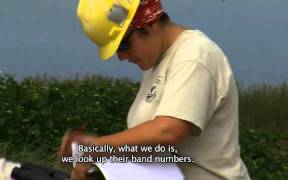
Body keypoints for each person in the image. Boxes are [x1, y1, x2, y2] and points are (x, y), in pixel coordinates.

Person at [60, 0, 251, 179]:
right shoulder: (158, 62)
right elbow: (152, 149)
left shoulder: (194, 57)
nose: (121, 56)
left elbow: (167, 131)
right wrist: (96, 159)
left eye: (123, 45)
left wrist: (99, 147)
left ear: (149, 23)